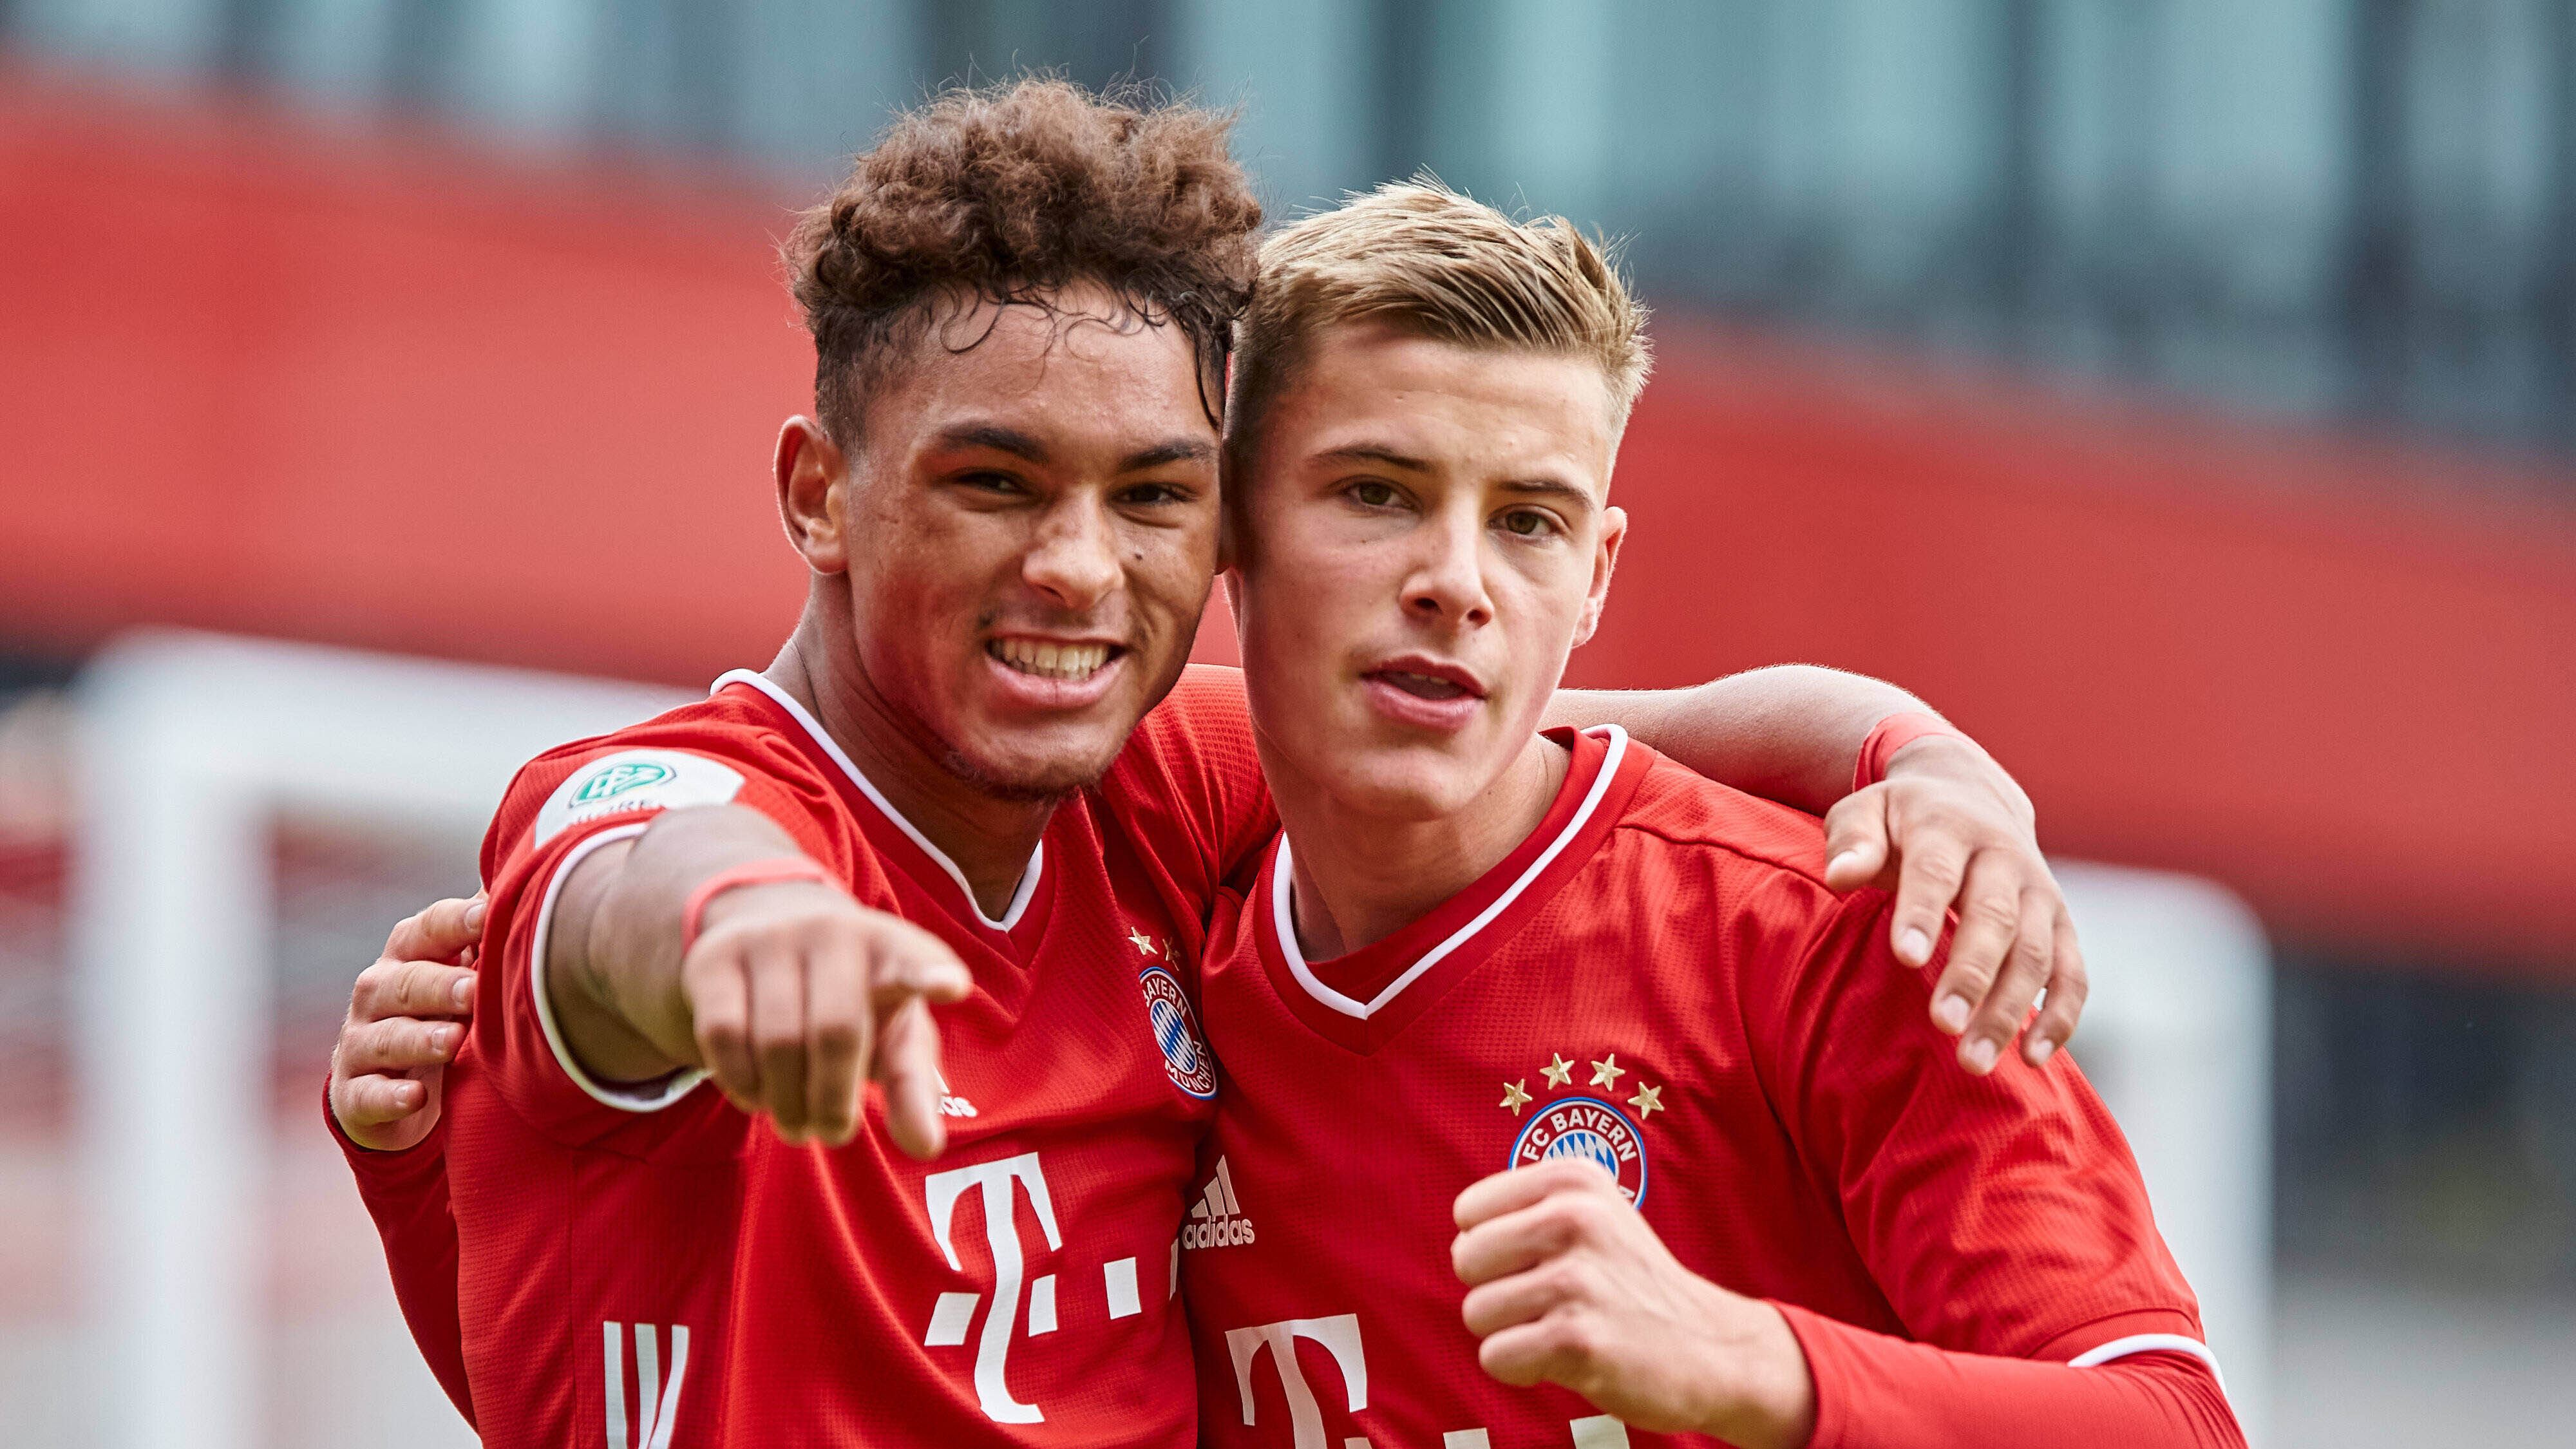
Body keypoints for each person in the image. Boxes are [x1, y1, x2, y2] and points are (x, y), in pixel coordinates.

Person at [325, 82, 2087, 1444]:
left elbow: (1537, 733)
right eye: (995, 481)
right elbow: (629, 887)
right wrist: (743, 939)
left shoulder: (1151, 791)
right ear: (818, 495)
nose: (1081, 568)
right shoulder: (659, 807)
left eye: (1152, 494)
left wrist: (1922, 757)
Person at [1177, 181, 2240, 1448]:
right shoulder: (1149, 917)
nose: (1454, 583)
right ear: (1226, 522)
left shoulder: (1851, 931)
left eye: (1527, 521)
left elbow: (2173, 1423)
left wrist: (1757, 1367)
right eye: (1376, 493)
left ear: (1593, 579)